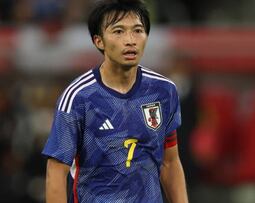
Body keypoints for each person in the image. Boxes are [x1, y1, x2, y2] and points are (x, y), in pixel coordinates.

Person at [42, 0, 188, 202]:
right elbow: (56, 172)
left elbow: (170, 163)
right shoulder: (78, 97)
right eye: (118, 31)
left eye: (138, 30)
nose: (130, 40)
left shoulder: (163, 91)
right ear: (98, 41)